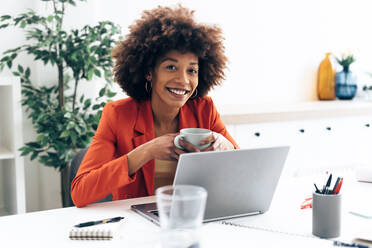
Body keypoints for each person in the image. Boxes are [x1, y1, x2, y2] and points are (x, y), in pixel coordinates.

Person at [71, 5, 239, 207]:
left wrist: (225, 145)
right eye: (171, 67)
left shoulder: (205, 110)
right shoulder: (118, 115)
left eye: (192, 70)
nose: (183, 80)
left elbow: (243, 173)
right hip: (138, 224)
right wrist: (146, 151)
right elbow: (80, 192)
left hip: (194, 216)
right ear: (149, 72)